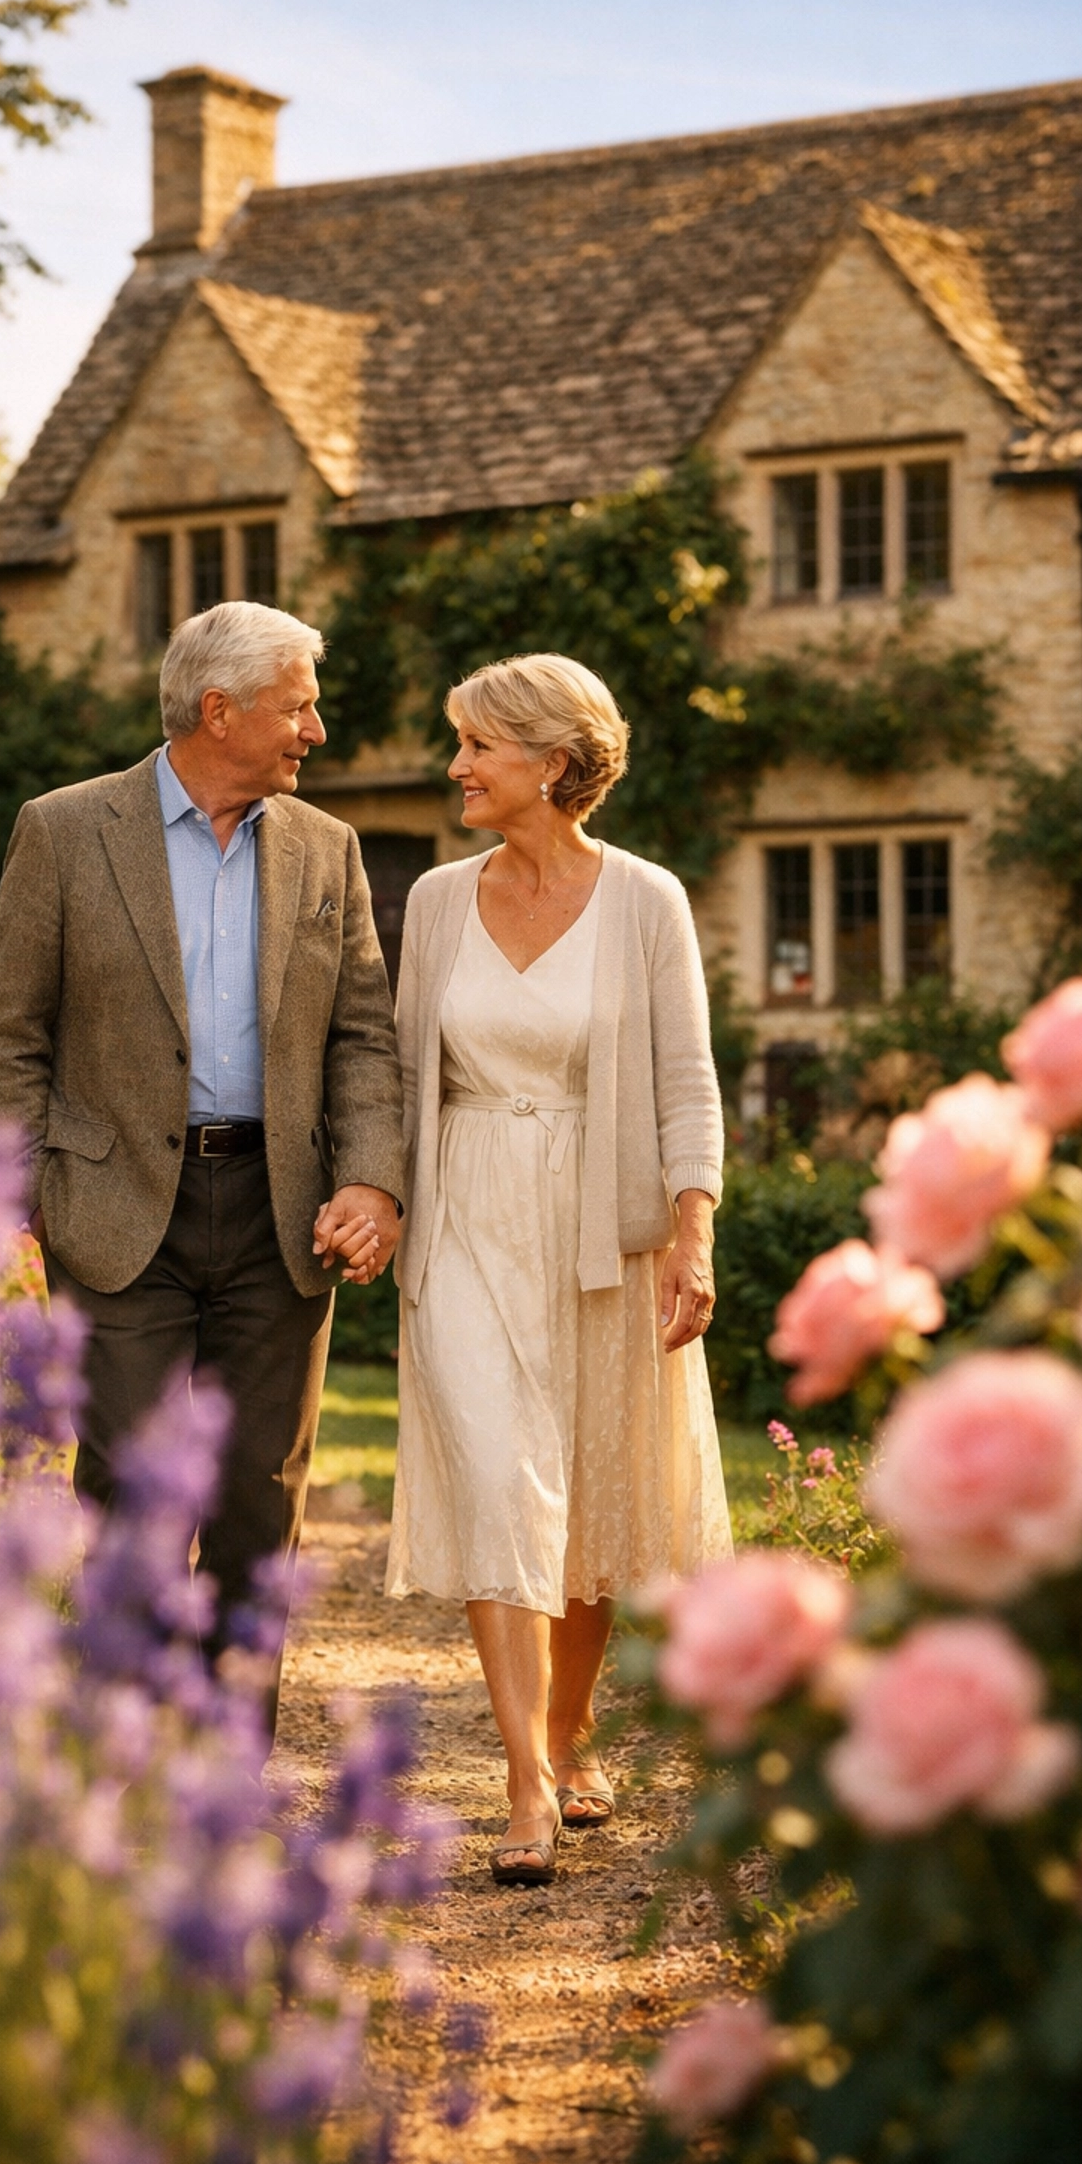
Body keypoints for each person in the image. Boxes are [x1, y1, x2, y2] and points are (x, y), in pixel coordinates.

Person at [0, 600, 403, 1710]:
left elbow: (360, 1033)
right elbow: (6, 1032)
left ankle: (223, 1781)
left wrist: (370, 1177)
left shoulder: (328, 848)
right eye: (297, 707)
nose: (315, 731)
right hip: (115, 1210)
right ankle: (122, 1768)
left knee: (262, 1499)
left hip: (281, 1212)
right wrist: (37, 1202)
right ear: (221, 711)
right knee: (130, 1494)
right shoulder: (64, 830)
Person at [387, 652, 732, 1884]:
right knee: (499, 1473)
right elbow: (392, 1072)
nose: (457, 766)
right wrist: (378, 1194)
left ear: (551, 761)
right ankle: (528, 1781)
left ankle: (573, 1733)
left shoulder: (647, 901)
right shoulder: (432, 901)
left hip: (603, 1226)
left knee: (582, 1485)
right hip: (467, 1210)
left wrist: (693, 1230)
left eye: (477, 745)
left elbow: (688, 1080)